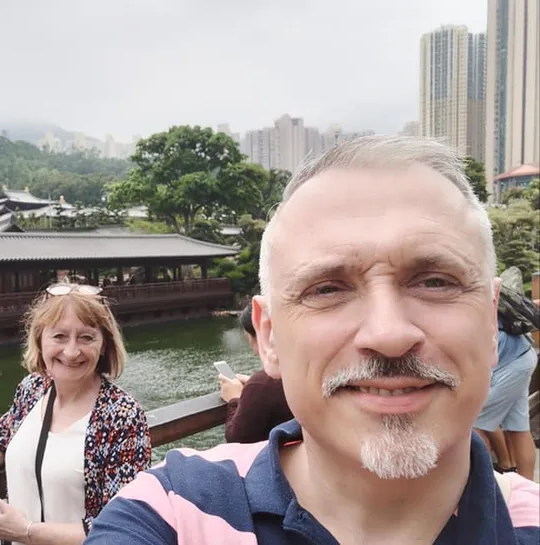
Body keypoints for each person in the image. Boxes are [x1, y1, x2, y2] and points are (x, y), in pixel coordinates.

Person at [84, 136, 540, 544]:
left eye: (436, 282)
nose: (388, 335)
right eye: (326, 289)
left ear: (490, 320)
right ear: (268, 336)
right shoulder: (174, 512)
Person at [0, 281, 151, 544]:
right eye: (59, 336)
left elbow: (123, 526)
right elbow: (3, 433)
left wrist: (26, 531)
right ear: (40, 339)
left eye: (87, 337)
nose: (71, 351)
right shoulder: (33, 389)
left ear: (103, 345)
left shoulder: (122, 416)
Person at [219, 303, 294, 443]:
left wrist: (234, 398)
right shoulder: (296, 369)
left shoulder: (261, 384)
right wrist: (252, 388)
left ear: (260, 334)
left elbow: (237, 439)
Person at [474, 316, 538, 480]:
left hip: (509, 362)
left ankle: (482, 482)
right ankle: (527, 486)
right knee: (519, 428)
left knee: (473, 422)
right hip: (522, 356)